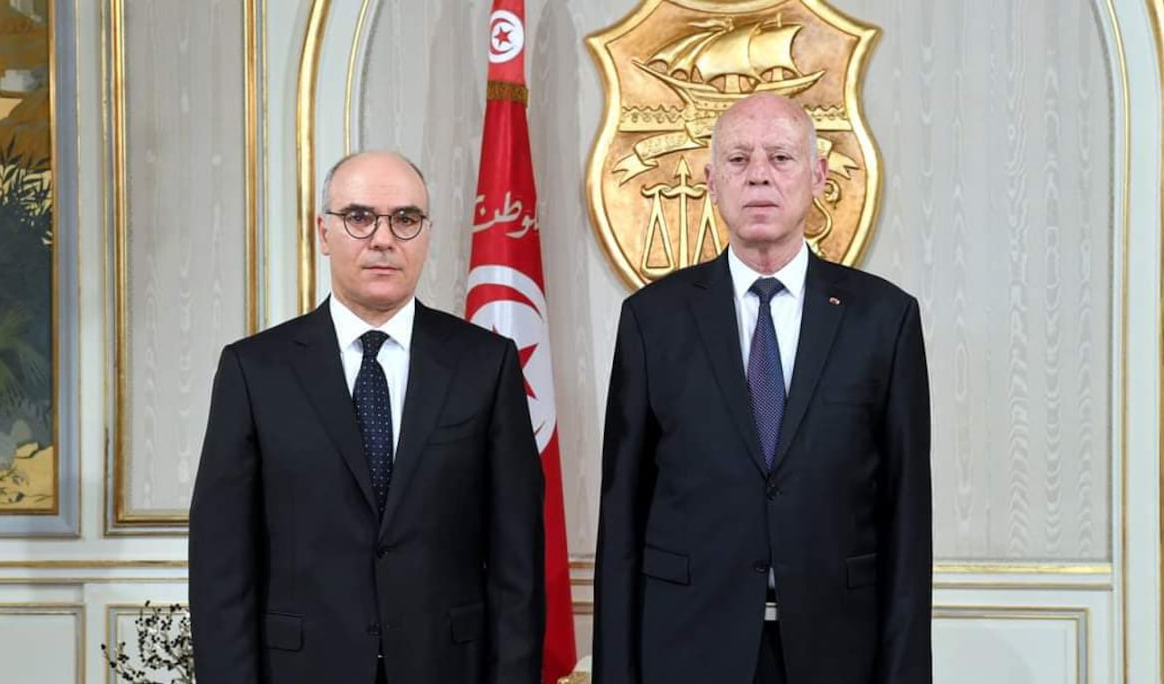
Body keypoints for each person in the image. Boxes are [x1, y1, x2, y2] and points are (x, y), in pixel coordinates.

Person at [593, 93, 932, 684]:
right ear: (710, 181)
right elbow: (622, 515)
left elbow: (906, 519)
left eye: (780, 157)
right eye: (738, 159)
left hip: (838, 651)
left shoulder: (884, 319)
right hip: (688, 649)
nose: (758, 176)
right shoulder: (652, 319)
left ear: (817, 176)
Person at [189, 150, 545, 683]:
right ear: (324, 232)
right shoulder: (254, 371)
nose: (383, 239)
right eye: (359, 217)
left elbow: (518, 562)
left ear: (426, 234)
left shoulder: (485, 365)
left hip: (447, 667)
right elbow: (221, 564)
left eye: (405, 219)